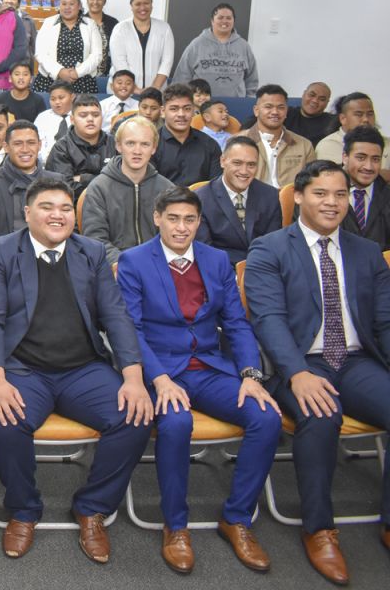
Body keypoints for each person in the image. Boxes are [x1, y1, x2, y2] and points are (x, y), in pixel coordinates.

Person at [0, 177, 154, 564]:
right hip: (23, 368)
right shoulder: (1, 251)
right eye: (47, 207)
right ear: (27, 213)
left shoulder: (91, 252)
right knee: (4, 420)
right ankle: (23, 510)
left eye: (65, 209)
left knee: (135, 415)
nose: (57, 215)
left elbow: (116, 316)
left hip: (82, 369)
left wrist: (133, 377)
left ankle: (92, 508)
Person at [117, 187, 281, 574]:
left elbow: (236, 323)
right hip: (162, 370)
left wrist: (250, 374)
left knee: (266, 417)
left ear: (199, 222)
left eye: (189, 219)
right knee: (176, 423)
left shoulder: (216, 259)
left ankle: (237, 518)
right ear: (157, 219)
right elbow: (130, 330)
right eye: (173, 218)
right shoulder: (134, 261)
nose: (181, 227)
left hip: (209, 367)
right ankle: (175, 525)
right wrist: (158, 379)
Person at [244, 160, 390, 585]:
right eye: (321, 194)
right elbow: (268, 319)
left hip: (357, 360)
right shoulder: (269, 249)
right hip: (300, 361)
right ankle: (319, 528)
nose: (332, 203)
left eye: (340, 195)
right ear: (299, 197)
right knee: (322, 415)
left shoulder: (367, 252)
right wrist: (296, 372)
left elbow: (384, 321)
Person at [81, 117, 175, 265]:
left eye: (145, 144)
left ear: (154, 148)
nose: (137, 151)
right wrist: (127, 264)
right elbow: (95, 240)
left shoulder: (167, 189)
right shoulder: (99, 188)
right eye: (130, 143)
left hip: (158, 265)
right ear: (118, 146)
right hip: (115, 267)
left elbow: (174, 236)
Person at [194, 136, 283, 265]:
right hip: (221, 269)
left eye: (251, 165)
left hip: (263, 267)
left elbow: (274, 244)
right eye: (237, 163)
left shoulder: (270, 195)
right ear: (222, 161)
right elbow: (205, 250)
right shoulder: (201, 199)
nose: (244, 171)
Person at [0, 121, 63, 244]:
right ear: (6, 147)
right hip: (1, 252)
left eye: (31, 143)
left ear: (39, 145)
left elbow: (65, 225)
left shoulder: (57, 181)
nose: (25, 149)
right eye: (18, 144)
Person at [172, 3, 259, 97]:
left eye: (228, 18)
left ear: (233, 21)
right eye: (220, 18)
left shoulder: (244, 46)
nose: (224, 21)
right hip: (204, 102)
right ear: (212, 21)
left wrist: (249, 100)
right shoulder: (197, 44)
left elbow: (252, 79)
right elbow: (182, 75)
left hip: (236, 102)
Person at [46, 95, 117, 200]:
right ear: (72, 119)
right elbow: (65, 189)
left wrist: (84, 178)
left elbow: (122, 181)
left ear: (102, 118)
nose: (90, 119)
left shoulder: (114, 143)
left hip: (112, 204)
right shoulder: (61, 148)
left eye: (96, 115)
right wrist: (105, 183)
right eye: (83, 115)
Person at [243, 84, 315, 188]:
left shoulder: (304, 145)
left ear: (286, 111)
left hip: (291, 197)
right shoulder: (238, 142)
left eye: (281, 107)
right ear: (256, 110)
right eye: (268, 107)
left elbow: (311, 183)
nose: (275, 112)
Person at [152, 83, 223, 187]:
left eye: (187, 108)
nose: (181, 114)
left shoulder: (210, 145)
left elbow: (216, 187)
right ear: (162, 111)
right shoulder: (151, 144)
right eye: (174, 109)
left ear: (193, 110)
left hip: (200, 197)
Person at [33, 0, 102, 95]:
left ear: (79, 6)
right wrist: (59, 71)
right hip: (50, 80)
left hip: (83, 81)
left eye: (71, 4)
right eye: (64, 4)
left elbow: (97, 55)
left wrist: (77, 73)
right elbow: (40, 53)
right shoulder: (48, 23)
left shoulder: (90, 24)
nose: (67, 7)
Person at [109, 0, 174, 90]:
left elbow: (167, 61)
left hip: (156, 91)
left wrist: (154, 88)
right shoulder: (120, 29)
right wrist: (135, 89)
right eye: (138, 4)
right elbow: (119, 62)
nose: (142, 8)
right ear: (131, 6)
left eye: (146, 3)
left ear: (151, 5)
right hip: (124, 91)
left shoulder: (164, 28)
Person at [341, 126, 390, 249]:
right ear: (345, 157)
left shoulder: (387, 195)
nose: (368, 166)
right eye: (361, 158)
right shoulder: (322, 192)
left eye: (375, 159)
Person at [315, 92, 388, 169]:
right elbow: (344, 173)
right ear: (343, 118)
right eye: (359, 114)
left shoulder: (387, 143)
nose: (366, 119)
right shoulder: (329, 144)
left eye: (370, 114)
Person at [286, 82, 339, 148]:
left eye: (322, 99)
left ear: (327, 103)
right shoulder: (286, 114)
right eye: (311, 95)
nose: (315, 101)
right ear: (304, 94)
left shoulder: (334, 122)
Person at [33, 81, 75, 161]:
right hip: (46, 162)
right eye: (53, 99)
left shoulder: (80, 116)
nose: (57, 102)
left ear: (72, 97)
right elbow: (33, 142)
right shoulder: (42, 117)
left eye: (61, 98)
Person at [84, 0, 119, 75]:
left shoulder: (113, 23)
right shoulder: (80, 22)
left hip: (107, 74)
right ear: (87, 0)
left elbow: (118, 49)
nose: (95, 2)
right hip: (83, 74)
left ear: (104, 1)